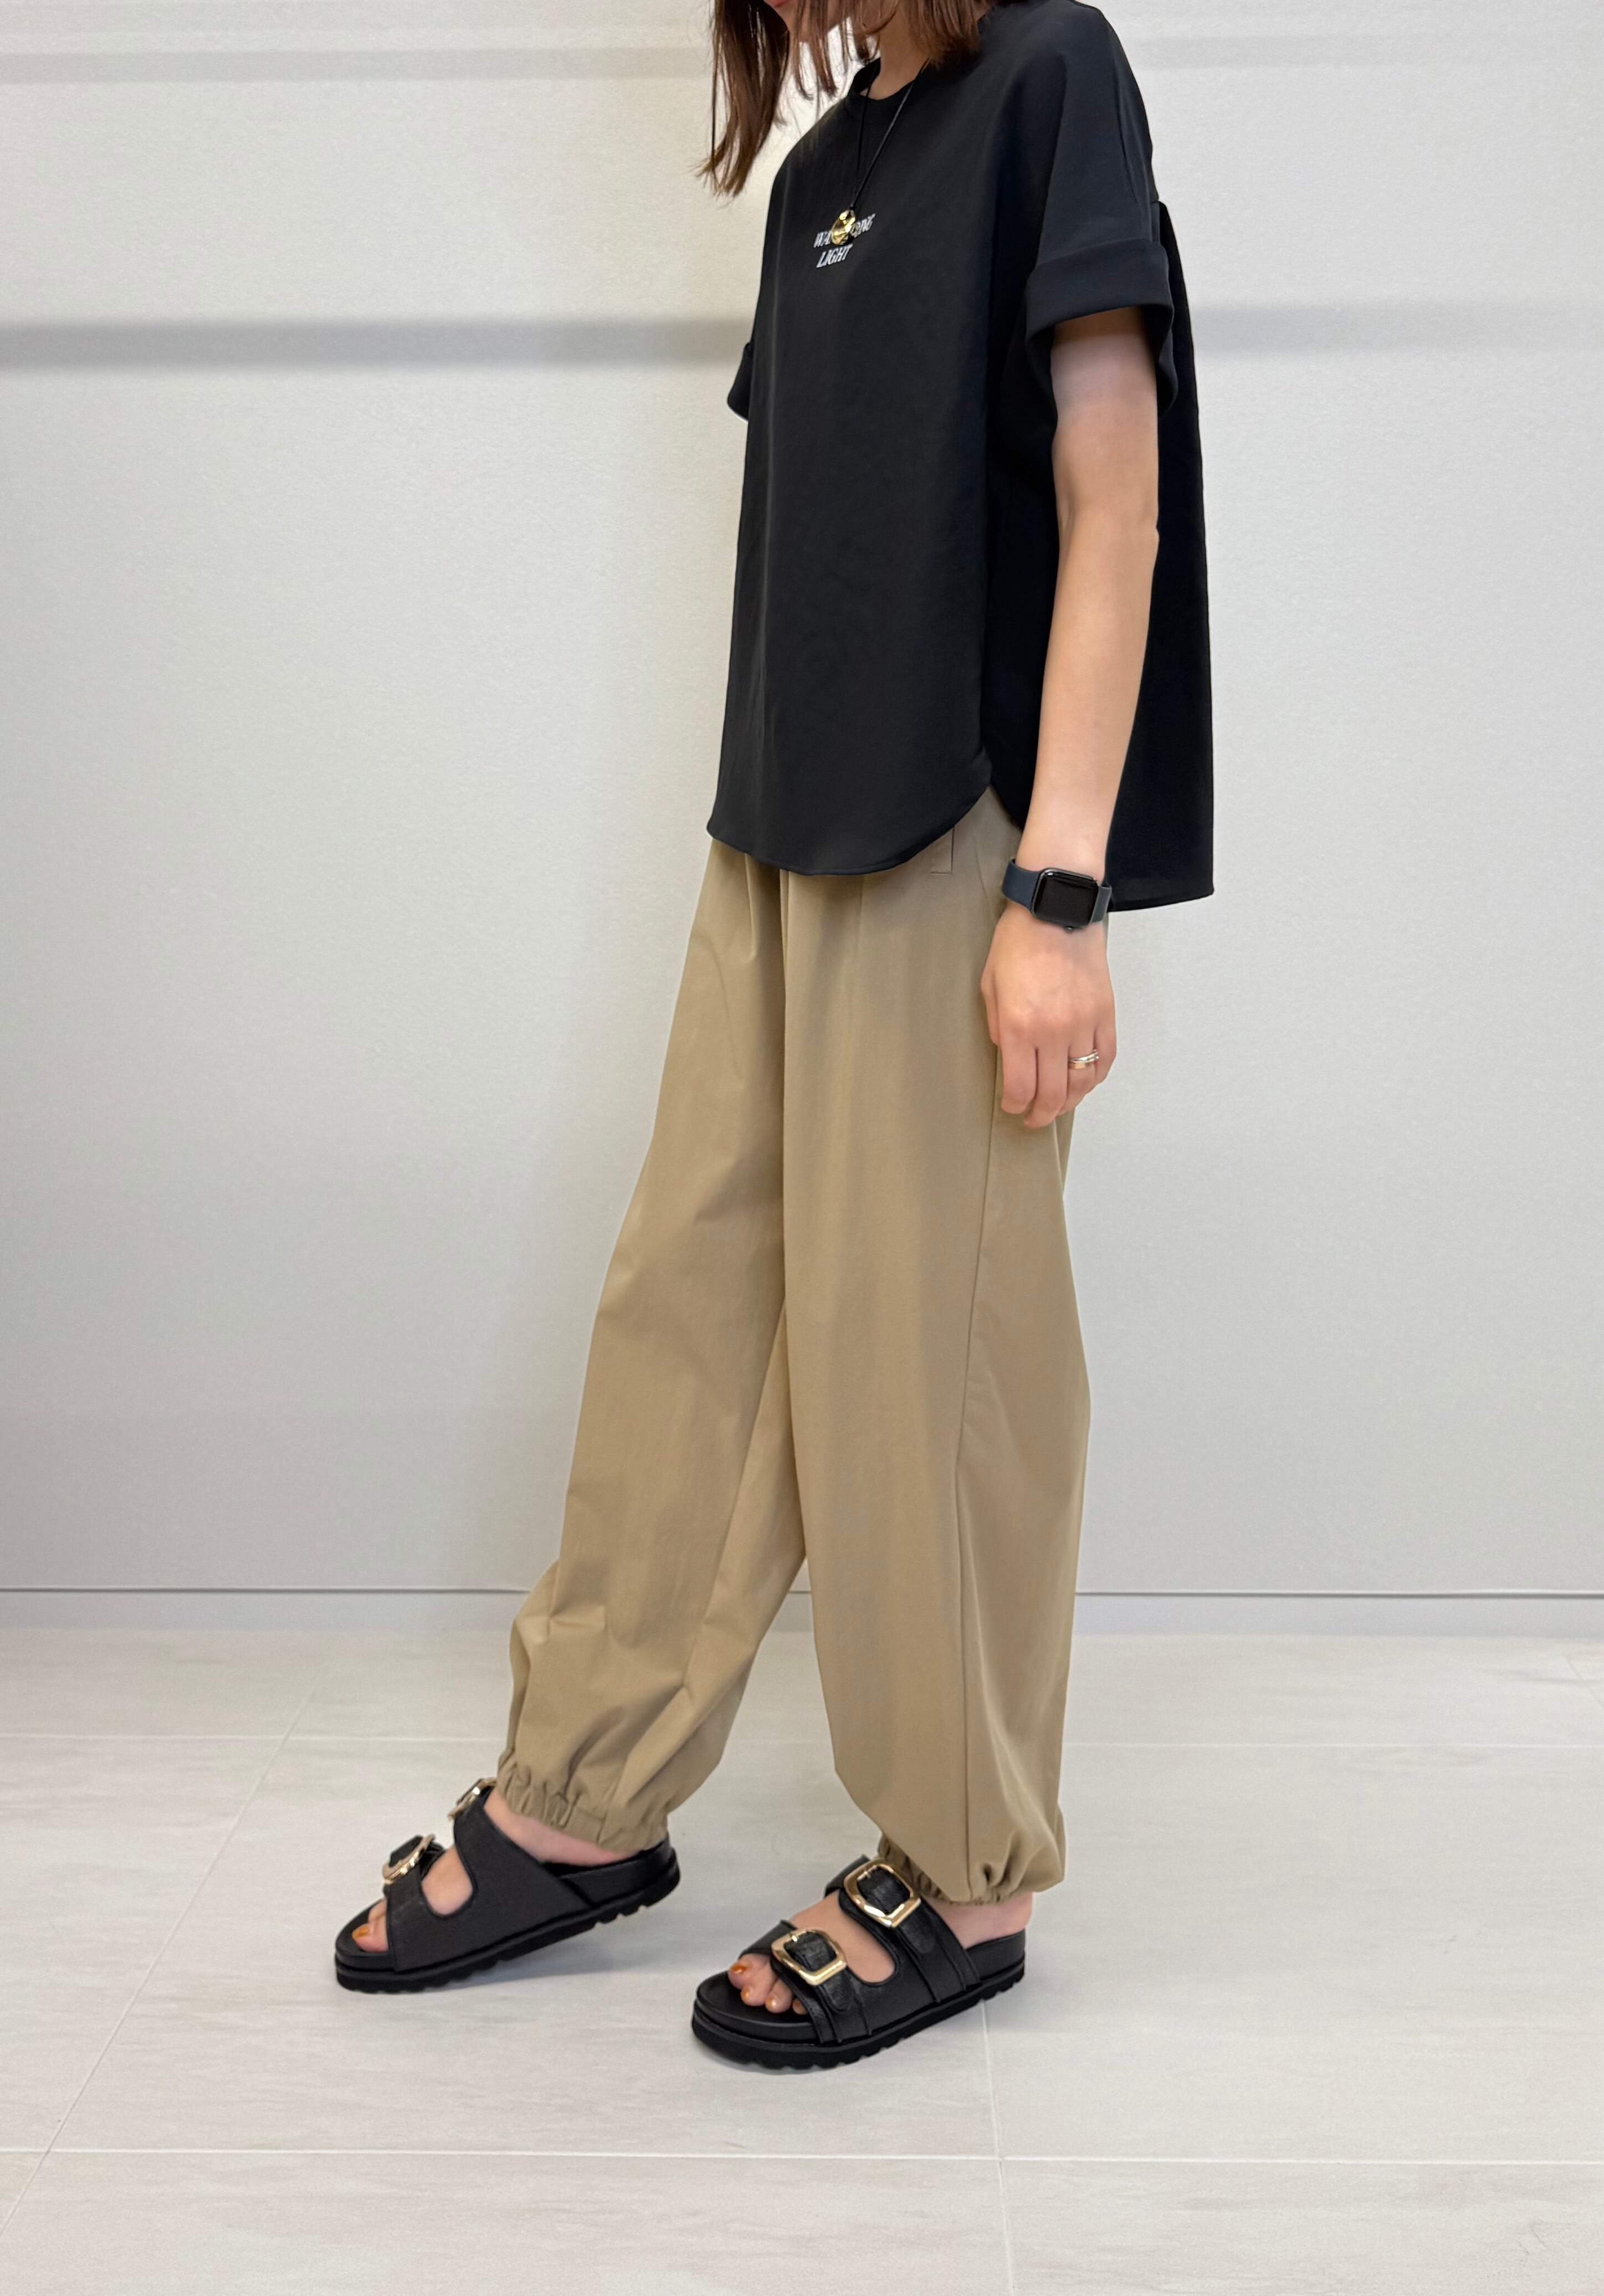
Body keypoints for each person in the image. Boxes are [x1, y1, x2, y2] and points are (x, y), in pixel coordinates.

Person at [333, 0, 1211, 2070]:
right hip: (776, 831)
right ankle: (589, 1795)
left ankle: (967, 1870)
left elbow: (1115, 505)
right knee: (694, 1312)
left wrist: (1058, 892)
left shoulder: (1051, 76)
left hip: (956, 831)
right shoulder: (822, 175)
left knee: (927, 1355)